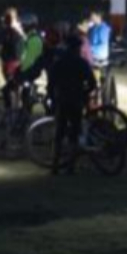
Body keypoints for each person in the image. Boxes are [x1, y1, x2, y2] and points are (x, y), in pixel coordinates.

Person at [47, 34, 97, 175]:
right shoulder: (82, 63)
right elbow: (92, 83)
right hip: (76, 100)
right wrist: (84, 93)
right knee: (74, 134)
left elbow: (51, 84)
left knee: (59, 133)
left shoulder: (59, 62)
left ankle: (55, 165)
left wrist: (51, 97)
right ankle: (70, 166)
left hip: (61, 100)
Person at [0, 8, 26, 108]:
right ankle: (17, 107)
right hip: (15, 61)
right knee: (16, 87)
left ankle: (14, 109)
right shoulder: (18, 29)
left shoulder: (9, 30)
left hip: (11, 62)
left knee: (12, 87)